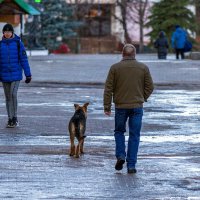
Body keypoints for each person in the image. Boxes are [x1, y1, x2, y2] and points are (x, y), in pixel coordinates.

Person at [103, 44, 154, 174]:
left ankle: (121, 155)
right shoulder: (143, 68)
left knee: (119, 131)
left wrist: (107, 106)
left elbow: (109, 89)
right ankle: (131, 165)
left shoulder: (115, 68)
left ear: (122, 54)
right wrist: (142, 98)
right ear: (134, 54)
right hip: (137, 106)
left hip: (120, 107)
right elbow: (150, 87)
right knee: (134, 135)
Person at [0, 23, 32, 128]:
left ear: (12, 32)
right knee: (8, 97)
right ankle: (10, 118)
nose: (7, 33)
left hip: (16, 74)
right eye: (6, 32)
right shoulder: (0, 45)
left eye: (9, 32)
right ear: (3, 33)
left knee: (13, 94)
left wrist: (28, 74)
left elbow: (24, 59)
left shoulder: (18, 44)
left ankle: (15, 118)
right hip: (4, 75)